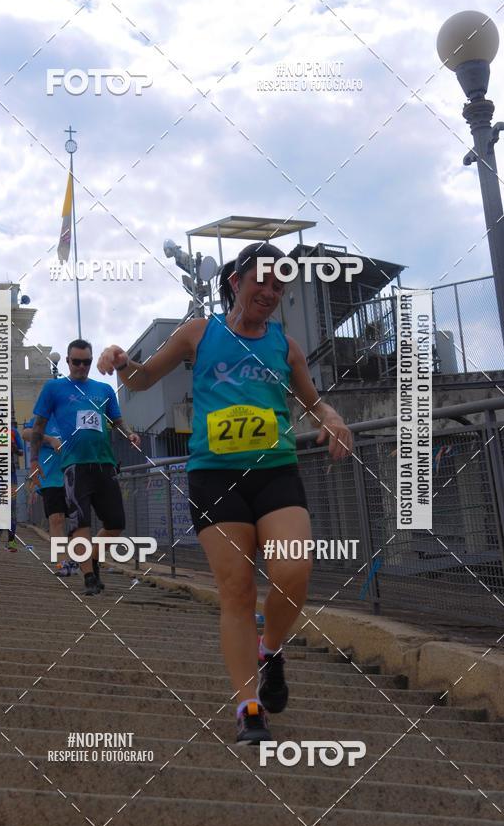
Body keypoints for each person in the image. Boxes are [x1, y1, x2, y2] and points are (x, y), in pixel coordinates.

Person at [97, 243, 354, 744]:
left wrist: (333, 417)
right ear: (236, 281)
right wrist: (121, 360)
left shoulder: (285, 346)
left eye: (279, 286)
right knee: (236, 590)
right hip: (215, 477)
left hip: (275, 472)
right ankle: (248, 706)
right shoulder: (199, 333)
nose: (271, 292)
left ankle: (270, 648)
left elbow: (313, 402)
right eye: (262, 281)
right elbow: (144, 379)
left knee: (293, 569)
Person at [29, 339, 140, 596]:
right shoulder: (54, 388)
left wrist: (130, 434)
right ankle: (89, 576)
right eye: (76, 362)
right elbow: (38, 426)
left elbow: (117, 419)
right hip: (74, 466)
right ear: (68, 361)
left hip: (104, 463)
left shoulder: (104, 389)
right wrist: (34, 460)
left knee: (116, 522)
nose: (81, 366)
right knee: (81, 522)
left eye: (86, 362)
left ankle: (92, 559)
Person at [22, 415, 76, 576]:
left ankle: (76, 558)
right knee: (56, 518)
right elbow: (26, 433)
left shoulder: (73, 415)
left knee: (77, 520)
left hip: (73, 474)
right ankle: (62, 562)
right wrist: (50, 439)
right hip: (50, 476)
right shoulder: (44, 417)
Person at [0, 423, 24, 551]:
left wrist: (14, 448)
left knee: (11, 508)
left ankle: (11, 541)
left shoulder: (13, 432)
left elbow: (21, 452)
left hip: (10, 474)